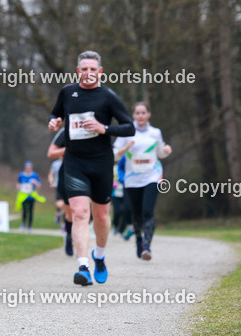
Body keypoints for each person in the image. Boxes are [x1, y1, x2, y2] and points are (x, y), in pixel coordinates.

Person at [48, 50, 135, 286]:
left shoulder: (108, 96)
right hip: (75, 163)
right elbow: (55, 114)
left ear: (100, 72)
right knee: (79, 213)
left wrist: (103, 128)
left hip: (101, 164)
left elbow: (129, 128)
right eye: (84, 69)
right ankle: (83, 266)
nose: (88, 73)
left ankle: (100, 256)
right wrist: (53, 121)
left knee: (102, 215)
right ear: (78, 71)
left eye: (92, 69)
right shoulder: (67, 92)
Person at [114, 102, 171, 260]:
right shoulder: (126, 132)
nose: (140, 116)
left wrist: (166, 150)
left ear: (149, 114)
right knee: (136, 214)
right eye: (137, 113)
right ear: (133, 115)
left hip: (151, 177)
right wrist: (125, 148)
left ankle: (147, 247)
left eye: (143, 113)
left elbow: (160, 152)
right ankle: (139, 239)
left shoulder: (155, 132)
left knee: (147, 211)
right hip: (132, 179)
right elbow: (114, 154)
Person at [47, 129, 73, 256]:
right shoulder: (65, 132)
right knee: (68, 212)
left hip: (85, 174)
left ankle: (81, 247)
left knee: (81, 211)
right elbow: (51, 153)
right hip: (65, 178)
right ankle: (69, 236)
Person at [15, 161, 44, 231]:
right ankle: (23, 224)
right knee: (24, 210)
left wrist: (35, 183)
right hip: (23, 195)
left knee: (31, 211)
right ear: (25, 168)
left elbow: (39, 185)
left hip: (31, 195)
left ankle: (29, 226)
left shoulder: (34, 175)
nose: (28, 169)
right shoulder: (21, 175)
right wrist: (19, 187)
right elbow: (18, 183)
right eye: (27, 167)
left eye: (29, 168)